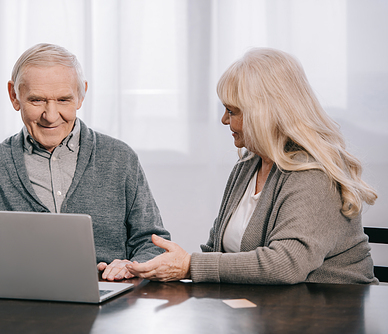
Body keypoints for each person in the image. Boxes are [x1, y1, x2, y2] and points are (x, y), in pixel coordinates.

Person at [0, 43, 170, 292]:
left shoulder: (120, 159)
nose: (51, 116)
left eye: (63, 100)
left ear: (81, 95)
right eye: (37, 100)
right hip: (15, 310)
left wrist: (134, 265)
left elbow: (154, 242)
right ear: (14, 96)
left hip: (107, 311)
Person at [127, 47, 378, 284]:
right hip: (270, 311)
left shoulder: (313, 174)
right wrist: (158, 265)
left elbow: (285, 264)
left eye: (232, 111)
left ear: (264, 115)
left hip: (329, 315)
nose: (224, 120)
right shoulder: (247, 166)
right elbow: (216, 251)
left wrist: (190, 266)